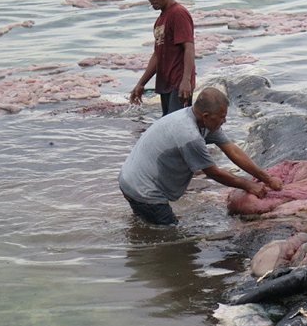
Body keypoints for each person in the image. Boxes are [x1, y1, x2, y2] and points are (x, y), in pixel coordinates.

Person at [119, 87, 283, 225]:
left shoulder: (201, 121)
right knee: (175, 239)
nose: (224, 121)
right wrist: (248, 185)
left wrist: (266, 179)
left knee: (145, 227)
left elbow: (233, 151)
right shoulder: (190, 135)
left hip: (130, 179)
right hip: (143, 189)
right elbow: (213, 172)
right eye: (222, 117)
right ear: (206, 116)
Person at [130, 0, 195, 115]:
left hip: (179, 85)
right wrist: (141, 83)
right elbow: (157, 55)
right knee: (167, 126)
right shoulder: (160, 21)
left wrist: (186, 81)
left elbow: (188, 48)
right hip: (165, 85)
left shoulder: (178, 14)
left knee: (176, 129)